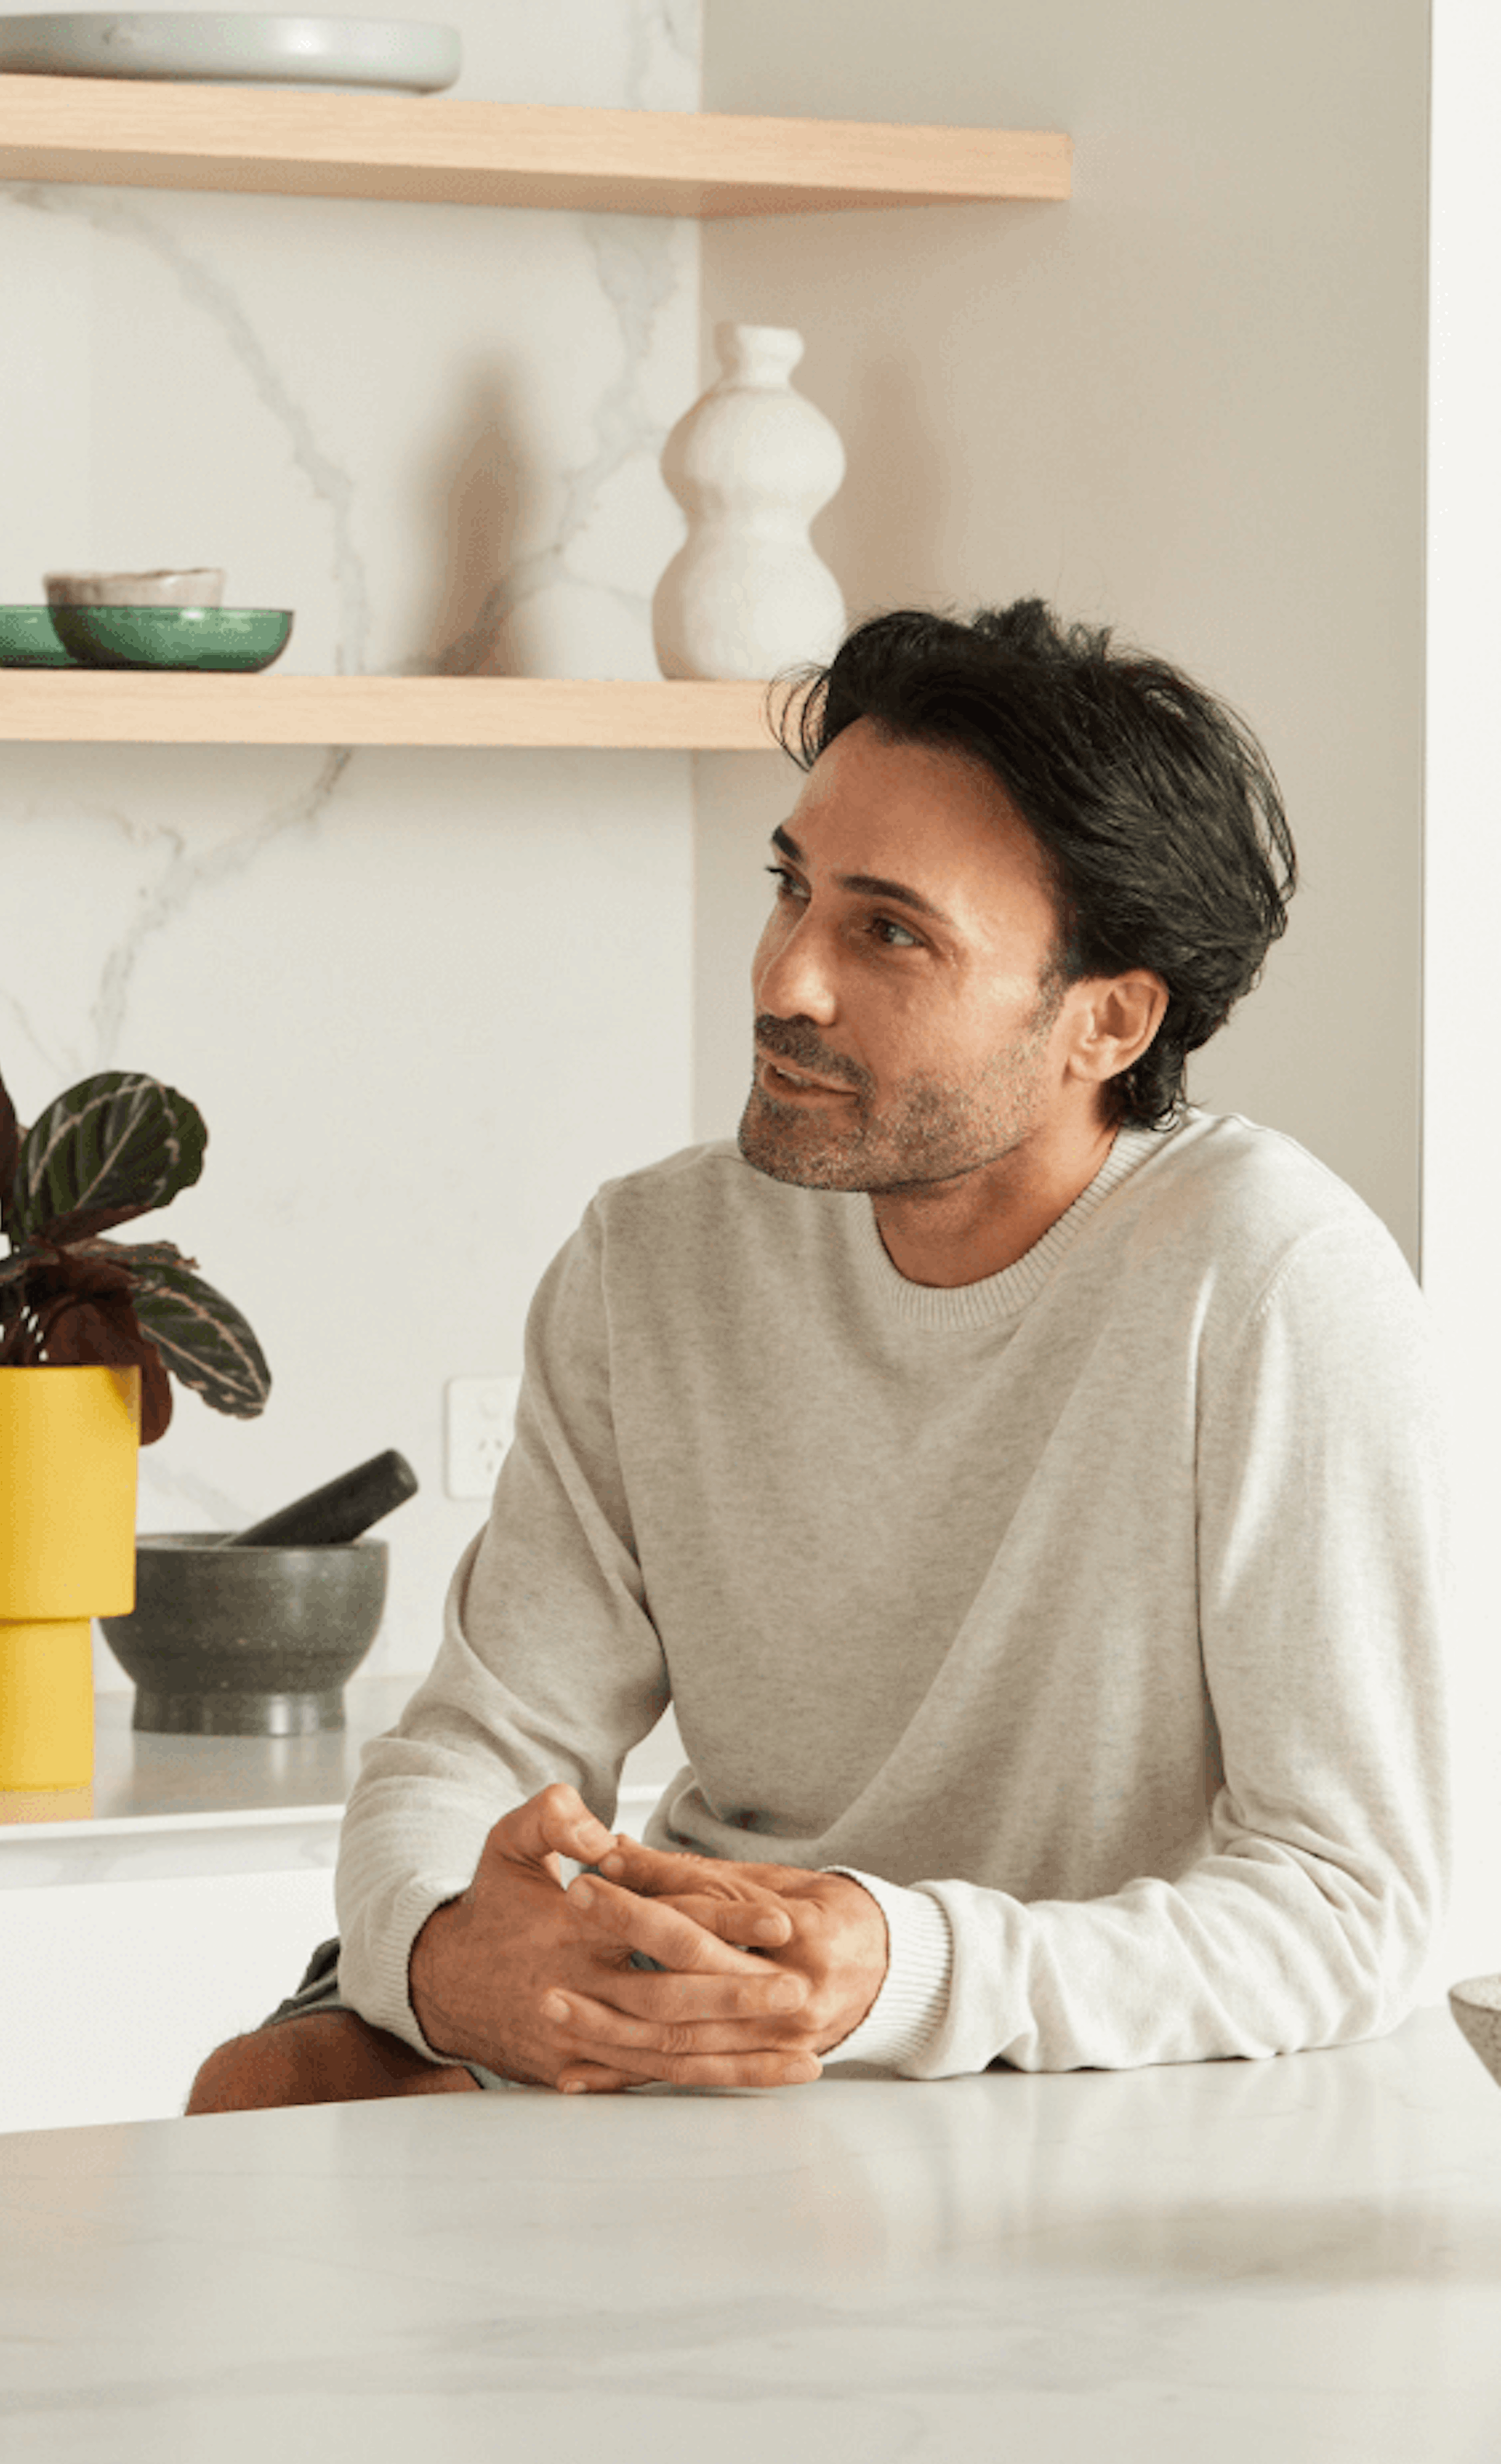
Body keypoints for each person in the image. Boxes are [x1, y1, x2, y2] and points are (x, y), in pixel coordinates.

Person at [190, 600, 1447, 2109]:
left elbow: (1349, 1902)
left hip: (1053, 2051)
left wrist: (898, 1966)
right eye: (792, 891)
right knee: (268, 2089)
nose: (787, 980)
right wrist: (448, 1944)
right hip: (701, 1996)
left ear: (1105, 1021)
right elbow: (482, 1739)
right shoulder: (650, 1257)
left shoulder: (1266, 1276)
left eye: (889, 932)